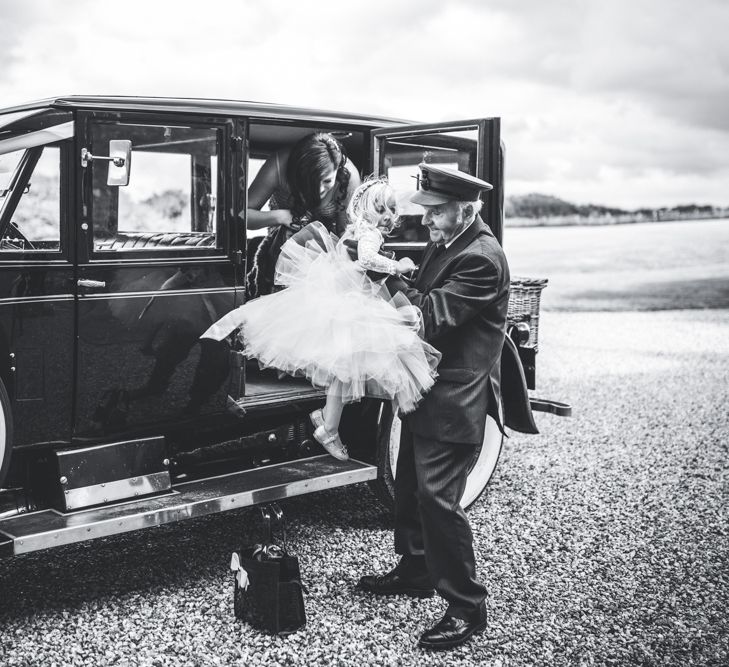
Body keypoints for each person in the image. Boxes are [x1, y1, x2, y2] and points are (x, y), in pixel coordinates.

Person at [355, 164, 510, 651]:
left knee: (440, 501)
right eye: (426, 211)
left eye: (435, 212)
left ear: (464, 210)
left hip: (455, 398)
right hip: (426, 390)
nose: (425, 222)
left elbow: (429, 318)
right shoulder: (450, 242)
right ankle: (418, 568)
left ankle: (467, 605)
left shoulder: (483, 257)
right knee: (410, 489)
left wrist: (380, 275)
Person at [202, 177, 440, 460]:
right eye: (382, 209)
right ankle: (332, 425)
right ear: (368, 209)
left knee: (344, 369)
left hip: (338, 299)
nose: (389, 217)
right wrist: (396, 265)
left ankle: (330, 423)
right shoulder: (371, 235)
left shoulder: (356, 229)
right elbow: (366, 260)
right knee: (359, 362)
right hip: (350, 304)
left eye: (392, 210)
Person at [245, 132, 362, 299]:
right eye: (312, 181)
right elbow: (243, 216)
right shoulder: (279, 164)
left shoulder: (349, 176)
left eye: (327, 181)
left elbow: (346, 232)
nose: (320, 190)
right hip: (279, 254)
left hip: (326, 260)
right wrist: (281, 216)